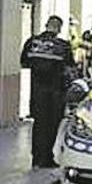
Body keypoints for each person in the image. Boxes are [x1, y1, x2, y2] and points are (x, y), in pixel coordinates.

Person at [19, 16, 75, 168]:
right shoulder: (62, 46)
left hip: (37, 92)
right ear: (59, 28)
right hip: (55, 93)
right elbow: (70, 69)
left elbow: (24, 62)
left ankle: (36, 159)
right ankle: (47, 158)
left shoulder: (32, 42)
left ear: (46, 25)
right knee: (52, 126)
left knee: (38, 126)